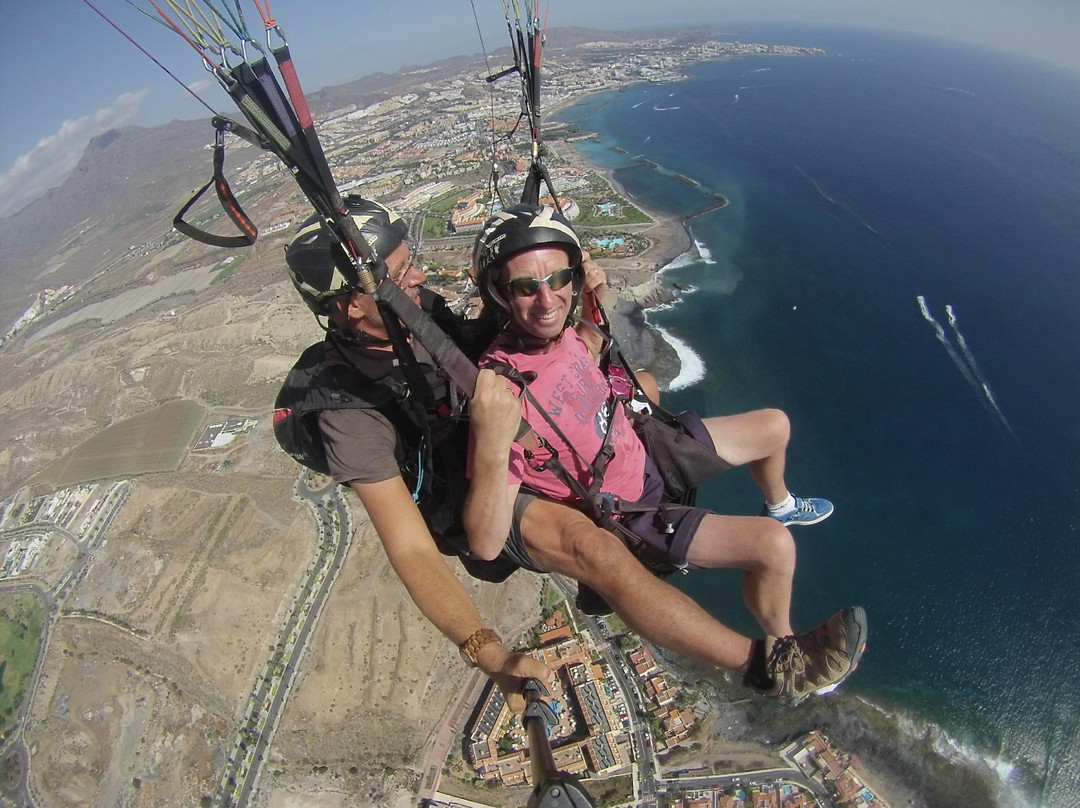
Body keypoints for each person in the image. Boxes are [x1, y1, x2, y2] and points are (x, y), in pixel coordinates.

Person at [464, 202, 868, 703]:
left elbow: (594, 344)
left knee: (774, 426)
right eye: (526, 287)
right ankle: (785, 657)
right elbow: (485, 541)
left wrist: (595, 295)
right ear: (501, 297)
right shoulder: (503, 391)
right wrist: (490, 440)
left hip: (646, 451)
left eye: (559, 278)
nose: (547, 299)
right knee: (773, 547)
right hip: (632, 511)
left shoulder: (561, 333)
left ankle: (782, 503)